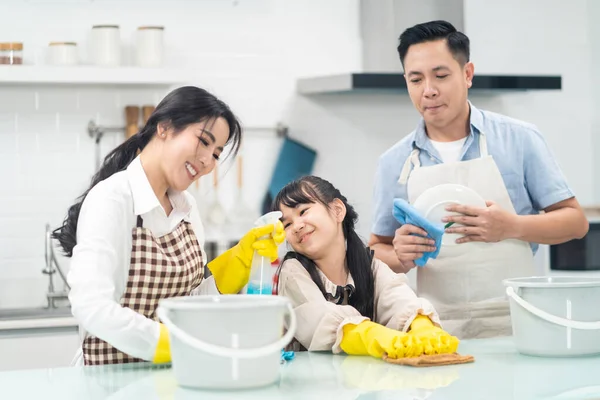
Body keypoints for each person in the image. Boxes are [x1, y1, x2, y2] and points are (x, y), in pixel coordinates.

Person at [369, 20, 589, 339]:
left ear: (467, 74)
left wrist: (509, 227)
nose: (428, 90)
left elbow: (575, 222)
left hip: (519, 321)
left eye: (441, 75)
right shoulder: (394, 162)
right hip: (434, 328)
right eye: (415, 79)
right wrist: (400, 256)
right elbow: (377, 251)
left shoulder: (519, 139)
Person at [52, 86, 285, 366]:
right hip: (108, 382)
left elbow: (188, 302)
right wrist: (172, 344)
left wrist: (239, 261)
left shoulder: (187, 208)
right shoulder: (112, 198)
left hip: (169, 380)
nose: (207, 161)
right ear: (164, 127)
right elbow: (92, 306)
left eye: (215, 154)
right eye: (203, 141)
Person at [272, 175, 458, 360]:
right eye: (287, 224)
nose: (296, 226)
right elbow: (320, 319)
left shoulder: (368, 265)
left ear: (337, 210)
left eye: (303, 211)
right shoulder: (292, 271)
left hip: (364, 382)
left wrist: (421, 325)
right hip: (315, 385)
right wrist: (372, 336)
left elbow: (397, 296)